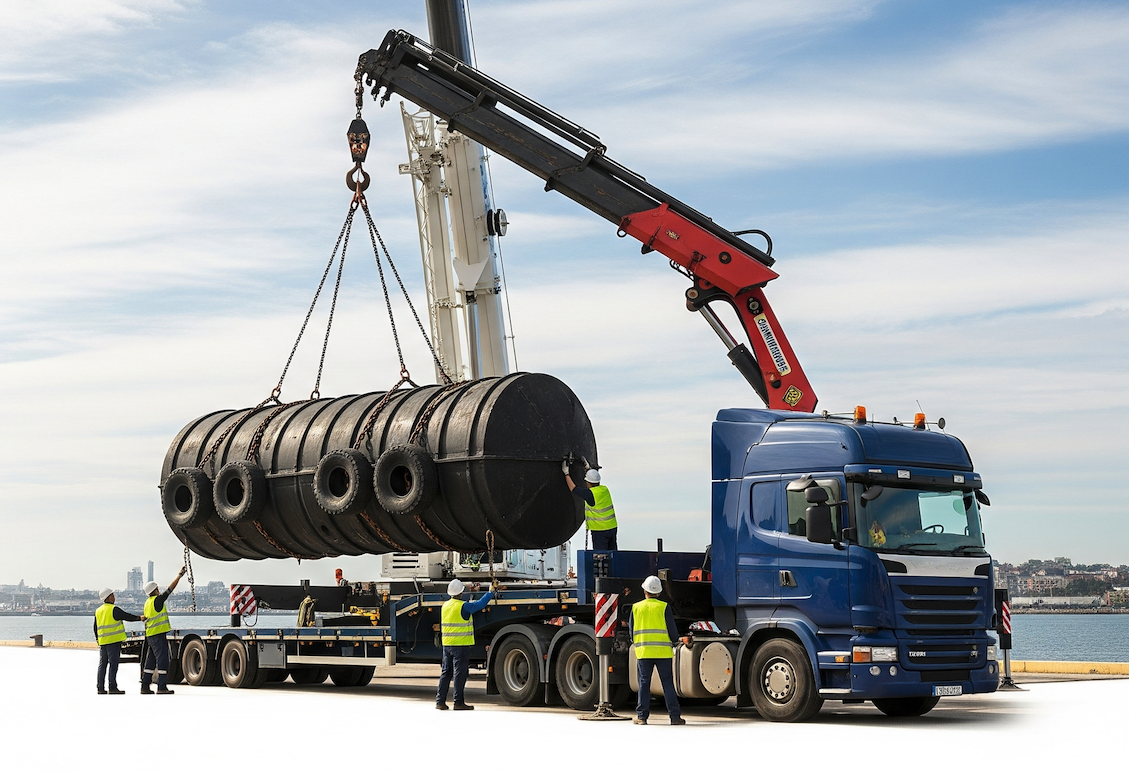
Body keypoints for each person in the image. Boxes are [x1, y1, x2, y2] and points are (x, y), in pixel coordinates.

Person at [629, 575, 684, 726]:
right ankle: (675, 717)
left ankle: (641, 717)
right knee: (667, 684)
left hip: (644, 652)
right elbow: (672, 631)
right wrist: (675, 641)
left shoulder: (636, 607)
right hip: (663, 653)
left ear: (644, 590)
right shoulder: (664, 607)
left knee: (644, 683)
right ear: (659, 592)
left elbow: (631, 631)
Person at [436, 578, 495, 711]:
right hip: (460, 645)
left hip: (447, 644)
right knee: (460, 673)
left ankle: (440, 701)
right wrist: (490, 592)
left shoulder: (445, 605)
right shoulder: (463, 606)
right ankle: (458, 702)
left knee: (446, 672)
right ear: (461, 593)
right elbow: (479, 605)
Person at [141, 566, 186, 695]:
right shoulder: (158, 600)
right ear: (155, 590)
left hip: (150, 635)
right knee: (163, 660)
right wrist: (179, 575)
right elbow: (170, 589)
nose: (159, 590)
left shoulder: (147, 602)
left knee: (150, 661)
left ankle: (145, 686)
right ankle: (161, 687)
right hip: (158, 636)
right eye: (157, 589)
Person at [94, 588, 143, 695]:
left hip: (103, 642)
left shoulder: (98, 611)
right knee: (113, 664)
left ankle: (100, 688)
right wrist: (140, 618)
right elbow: (127, 616)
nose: (114, 597)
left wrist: (98, 640)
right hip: (113, 642)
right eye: (112, 595)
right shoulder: (114, 609)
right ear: (108, 597)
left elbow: (95, 627)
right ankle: (112, 687)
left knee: (102, 664)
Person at [563, 461, 618, 550]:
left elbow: (573, 488)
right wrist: (588, 469)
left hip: (600, 530)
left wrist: (566, 474)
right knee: (612, 554)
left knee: (600, 556)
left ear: (588, 482)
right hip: (612, 527)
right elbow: (593, 480)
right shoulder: (604, 489)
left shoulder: (590, 494)